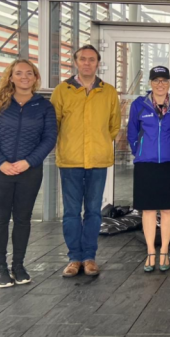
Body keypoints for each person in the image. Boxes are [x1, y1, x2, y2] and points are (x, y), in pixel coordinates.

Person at [0, 59, 57, 288]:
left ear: (35, 77)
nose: (24, 77)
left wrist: (28, 162)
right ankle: (1, 268)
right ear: (10, 77)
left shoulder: (44, 106)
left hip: (29, 172)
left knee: (23, 220)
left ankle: (19, 266)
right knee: (0, 219)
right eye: (19, 73)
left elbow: (49, 138)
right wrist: (0, 162)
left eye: (29, 73)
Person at [51, 44, 121, 277]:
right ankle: (74, 258)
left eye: (92, 59)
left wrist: (98, 143)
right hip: (70, 161)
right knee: (71, 211)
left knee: (93, 211)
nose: (87, 63)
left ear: (98, 63)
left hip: (98, 161)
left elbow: (114, 126)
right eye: (83, 59)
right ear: (75, 62)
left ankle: (89, 257)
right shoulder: (62, 91)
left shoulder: (109, 92)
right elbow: (54, 124)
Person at [127, 66, 170, 273]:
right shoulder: (139, 105)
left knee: (168, 209)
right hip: (145, 164)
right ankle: (151, 251)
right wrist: (138, 150)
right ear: (150, 83)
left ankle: (165, 250)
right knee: (148, 210)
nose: (160, 84)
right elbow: (132, 132)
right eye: (156, 80)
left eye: (164, 80)